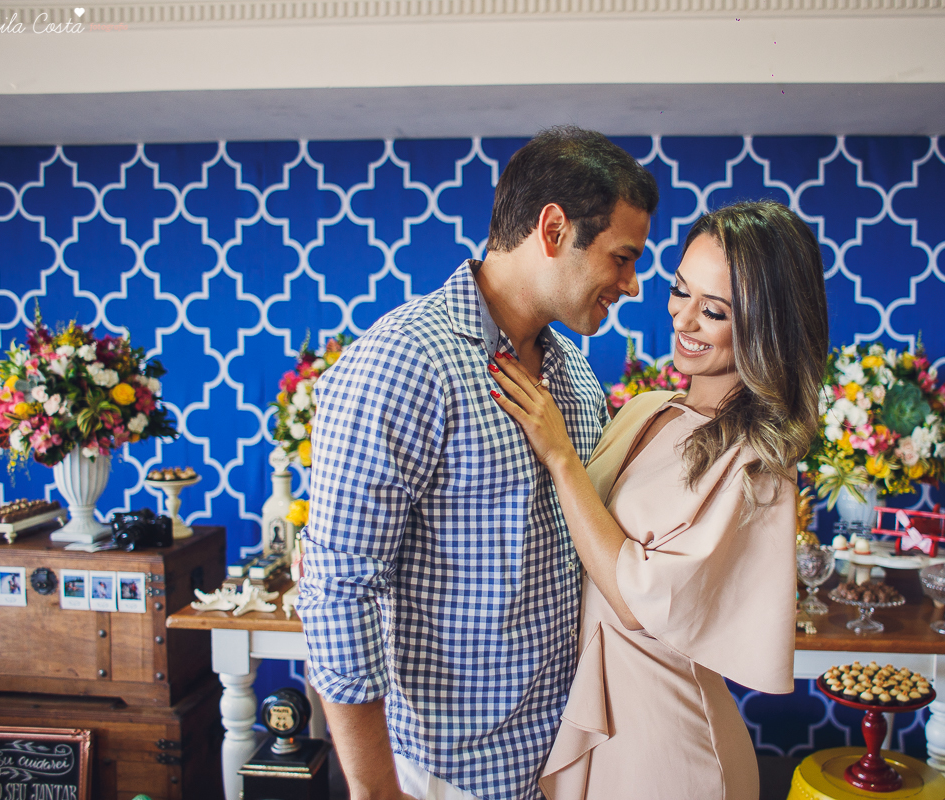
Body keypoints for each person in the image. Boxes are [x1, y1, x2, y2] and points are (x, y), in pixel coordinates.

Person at [296, 127, 659, 800]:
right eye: (622, 257)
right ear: (553, 228)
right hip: (449, 778)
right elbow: (339, 592)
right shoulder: (403, 362)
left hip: (570, 764)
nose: (632, 285)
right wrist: (376, 792)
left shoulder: (575, 378)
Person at [489, 200, 829, 799]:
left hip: (671, 749)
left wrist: (560, 454)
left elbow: (636, 605)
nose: (684, 319)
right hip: (601, 720)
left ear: (765, 324)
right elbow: (567, 532)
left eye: (715, 310)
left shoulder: (759, 463)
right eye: (680, 291)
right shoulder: (649, 411)